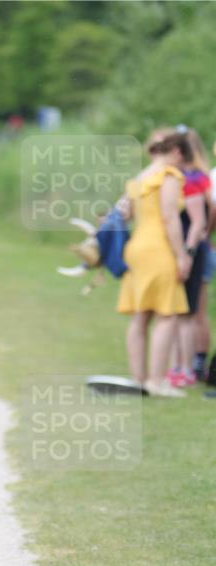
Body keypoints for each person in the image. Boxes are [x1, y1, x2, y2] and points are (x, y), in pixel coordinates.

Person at [116, 129, 192, 397]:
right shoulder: (168, 176)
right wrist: (182, 255)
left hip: (136, 247)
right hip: (159, 248)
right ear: (175, 151)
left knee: (140, 316)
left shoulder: (139, 177)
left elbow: (123, 213)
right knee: (166, 314)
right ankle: (156, 381)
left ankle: (138, 378)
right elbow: (170, 218)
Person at [167, 127, 212, 387]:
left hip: (191, 249)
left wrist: (190, 250)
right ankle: (180, 366)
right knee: (179, 311)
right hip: (187, 248)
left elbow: (200, 219)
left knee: (188, 311)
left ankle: (187, 368)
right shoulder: (184, 177)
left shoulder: (192, 179)